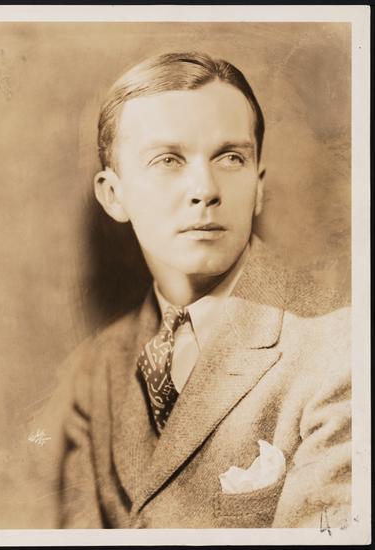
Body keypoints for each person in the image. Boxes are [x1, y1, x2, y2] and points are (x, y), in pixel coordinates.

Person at [26, 51, 351, 529]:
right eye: (167, 160)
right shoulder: (99, 371)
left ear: (259, 188)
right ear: (114, 195)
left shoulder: (339, 351)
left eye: (231, 158)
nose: (205, 188)